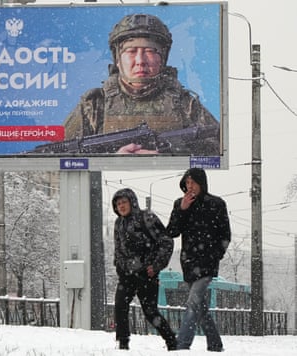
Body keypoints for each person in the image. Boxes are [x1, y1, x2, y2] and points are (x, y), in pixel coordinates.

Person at [63, 14, 220, 155]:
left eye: (150, 51)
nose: (140, 61)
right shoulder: (94, 105)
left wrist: (169, 153)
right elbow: (60, 158)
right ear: (118, 59)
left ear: (163, 58)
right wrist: (113, 160)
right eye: (131, 51)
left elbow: (218, 146)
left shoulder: (185, 104)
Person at [166, 168, 231, 352]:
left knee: (193, 302)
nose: (189, 186)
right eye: (187, 183)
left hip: (207, 263)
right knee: (199, 305)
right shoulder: (180, 204)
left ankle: (181, 345)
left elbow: (225, 234)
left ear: (201, 183)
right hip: (188, 263)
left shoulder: (216, 204)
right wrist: (182, 210)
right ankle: (215, 343)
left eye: (193, 182)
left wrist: (216, 254)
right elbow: (171, 231)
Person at [112, 188, 176, 351]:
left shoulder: (146, 218)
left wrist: (155, 266)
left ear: (132, 202)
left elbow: (166, 241)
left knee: (150, 312)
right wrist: (119, 266)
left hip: (146, 274)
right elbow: (118, 248)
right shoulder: (118, 223)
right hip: (126, 275)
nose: (121, 206)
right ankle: (123, 343)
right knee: (120, 305)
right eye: (118, 204)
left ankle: (171, 342)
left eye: (124, 202)